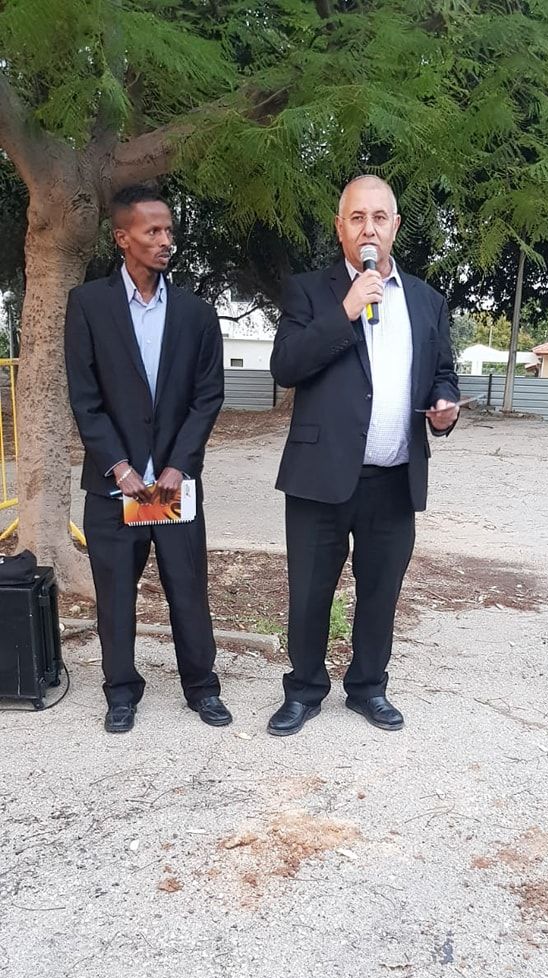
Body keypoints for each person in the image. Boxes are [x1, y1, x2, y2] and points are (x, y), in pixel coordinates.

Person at [267, 175, 460, 737]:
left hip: (394, 478)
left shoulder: (427, 301)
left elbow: (441, 374)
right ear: (340, 228)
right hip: (319, 476)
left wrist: (444, 407)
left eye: (379, 217)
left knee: (380, 593)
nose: (368, 228)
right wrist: (346, 310)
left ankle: (369, 687)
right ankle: (304, 690)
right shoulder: (309, 292)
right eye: (357, 217)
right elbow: (286, 366)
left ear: (395, 226)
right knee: (309, 593)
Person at [65, 183, 232, 733]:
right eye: (152, 231)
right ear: (122, 238)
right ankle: (121, 692)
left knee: (187, 590)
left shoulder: (195, 314)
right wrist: (120, 467)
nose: (165, 241)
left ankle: (202, 688)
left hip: (171, 485)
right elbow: (85, 398)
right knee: (115, 595)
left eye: (168, 231)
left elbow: (208, 396)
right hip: (116, 486)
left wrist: (177, 466)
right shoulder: (88, 306)